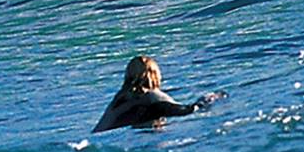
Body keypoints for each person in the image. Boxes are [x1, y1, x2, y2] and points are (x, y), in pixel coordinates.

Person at [91, 56, 221, 133]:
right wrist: (206, 101)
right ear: (155, 75)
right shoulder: (152, 97)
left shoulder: (119, 98)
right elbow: (186, 111)